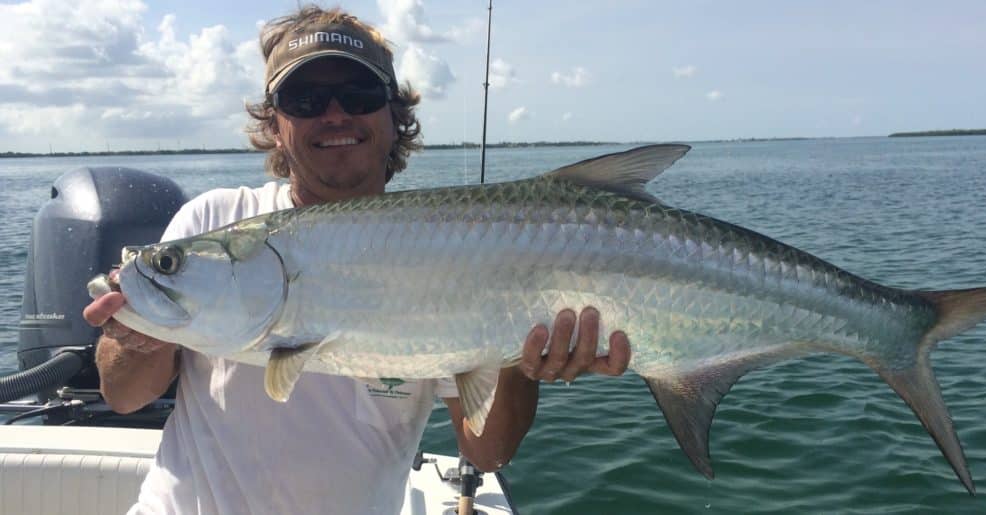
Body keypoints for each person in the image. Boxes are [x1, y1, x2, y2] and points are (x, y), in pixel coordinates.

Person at [83, 5, 632, 515]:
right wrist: (134, 336)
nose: (335, 114)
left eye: (358, 92)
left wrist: (522, 361)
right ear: (275, 123)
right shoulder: (214, 220)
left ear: (394, 114)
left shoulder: (458, 244)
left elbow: (487, 453)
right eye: (305, 101)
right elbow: (124, 396)